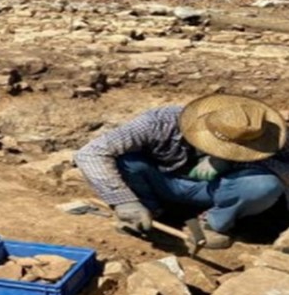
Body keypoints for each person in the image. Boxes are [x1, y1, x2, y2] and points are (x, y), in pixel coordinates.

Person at [74, 94, 288, 249]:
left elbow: (284, 173)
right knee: (127, 160)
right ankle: (147, 214)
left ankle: (212, 224)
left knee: (263, 184)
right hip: (160, 181)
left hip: (213, 191)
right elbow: (90, 153)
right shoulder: (159, 122)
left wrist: (230, 161)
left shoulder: (265, 136)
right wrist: (124, 201)